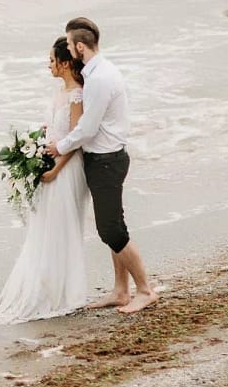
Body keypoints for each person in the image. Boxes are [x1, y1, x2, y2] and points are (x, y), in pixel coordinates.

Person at [0, 38, 90, 328]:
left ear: (65, 62)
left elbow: (78, 139)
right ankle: (47, 286)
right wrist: (38, 141)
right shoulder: (59, 92)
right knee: (44, 228)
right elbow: (56, 130)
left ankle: (63, 292)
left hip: (67, 168)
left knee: (61, 227)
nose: (48, 65)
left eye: (52, 60)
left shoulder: (77, 94)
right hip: (51, 162)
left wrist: (56, 171)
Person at [47, 18, 159, 314]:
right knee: (114, 225)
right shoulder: (102, 69)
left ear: (80, 47)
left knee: (110, 230)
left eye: (70, 45)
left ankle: (145, 290)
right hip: (108, 158)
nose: (68, 50)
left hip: (106, 161)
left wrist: (58, 147)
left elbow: (87, 129)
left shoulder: (98, 79)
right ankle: (121, 291)